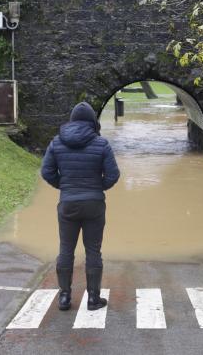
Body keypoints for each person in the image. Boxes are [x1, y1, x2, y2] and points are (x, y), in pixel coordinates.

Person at [40, 102, 120, 311]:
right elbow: (113, 175)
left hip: (68, 204)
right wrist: (96, 187)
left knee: (66, 249)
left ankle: (65, 298)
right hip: (94, 204)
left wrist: (64, 186)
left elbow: (46, 172)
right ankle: (93, 299)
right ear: (93, 121)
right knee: (93, 251)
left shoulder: (57, 143)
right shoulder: (101, 144)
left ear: (72, 120)